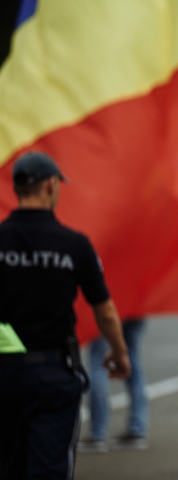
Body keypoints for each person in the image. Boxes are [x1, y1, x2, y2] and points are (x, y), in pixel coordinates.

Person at [0, 152, 130, 480]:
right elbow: (104, 309)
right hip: (52, 375)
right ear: (49, 185)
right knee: (49, 470)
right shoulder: (74, 244)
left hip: (3, 374)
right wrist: (119, 352)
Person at [78, 318, 149, 453]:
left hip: (110, 309)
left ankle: (98, 434)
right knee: (132, 358)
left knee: (99, 361)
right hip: (136, 308)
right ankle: (138, 428)